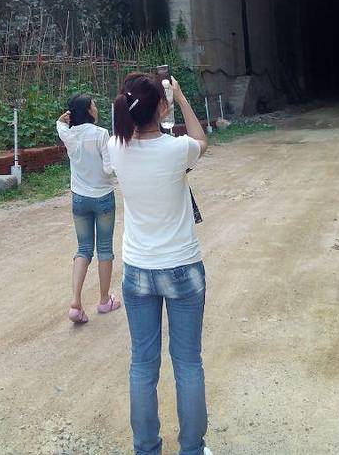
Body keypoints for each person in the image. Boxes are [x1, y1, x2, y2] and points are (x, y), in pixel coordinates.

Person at [109, 72, 213, 455]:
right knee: (187, 363)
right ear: (162, 107)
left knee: (142, 364)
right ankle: (192, 449)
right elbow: (202, 140)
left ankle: (146, 448)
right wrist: (181, 97)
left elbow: (127, 131)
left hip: (138, 271)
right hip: (183, 267)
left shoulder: (115, 148)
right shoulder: (177, 149)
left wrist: (151, 108)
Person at [56, 93, 120, 324]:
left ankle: (76, 302)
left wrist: (63, 119)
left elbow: (60, 125)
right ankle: (104, 300)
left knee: (83, 248)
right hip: (103, 198)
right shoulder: (101, 134)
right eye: (93, 105)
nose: (96, 108)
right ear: (88, 111)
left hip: (79, 198)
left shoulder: (69, 134)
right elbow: (108, 169)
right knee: (104, 248)